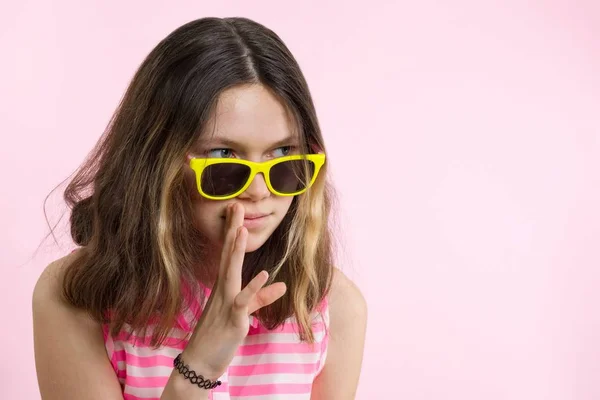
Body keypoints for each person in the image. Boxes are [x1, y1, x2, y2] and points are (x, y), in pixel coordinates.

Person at [32, 16, 367, 400]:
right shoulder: (76, 297)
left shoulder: (333, 307)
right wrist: (199, 368)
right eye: (224, 156)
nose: (259, 191)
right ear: (157, 163)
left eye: (283, 155)